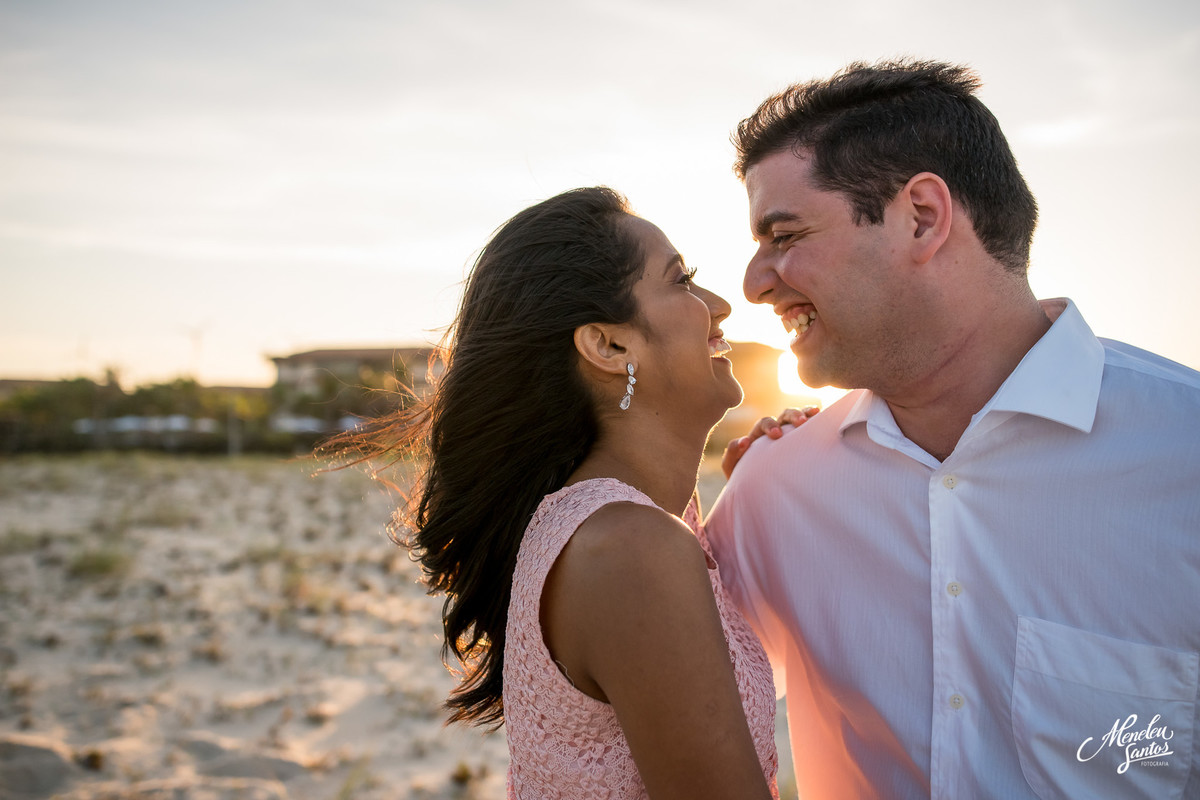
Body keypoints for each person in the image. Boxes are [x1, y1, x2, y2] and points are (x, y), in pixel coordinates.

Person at [705, 59, 1200, 799]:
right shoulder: (773, 490)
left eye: (784, 234)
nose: (753, 283)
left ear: (922, 217)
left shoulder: (1186, 455)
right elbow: (663, 710)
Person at [324, 187, 780, 797]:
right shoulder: (632, 549)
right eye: (682, 280)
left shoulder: (626, 529)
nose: (719, 305)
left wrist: (772, 481)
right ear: (608, 345)